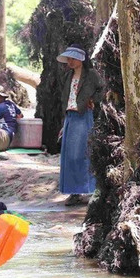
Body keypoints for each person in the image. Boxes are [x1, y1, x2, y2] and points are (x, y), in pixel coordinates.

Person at [57, 45, 105, 206]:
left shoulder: (91, 75)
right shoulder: (67, 76)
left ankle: (89, 190)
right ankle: (74, 193)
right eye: (68, 59)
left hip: (83, 116)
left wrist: (93, 101)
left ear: (80, 60)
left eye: (72, 58)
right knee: (69, 156)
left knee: (82, 153)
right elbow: (65, 98)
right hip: (70, 117)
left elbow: (102, 89)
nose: (69, 61)